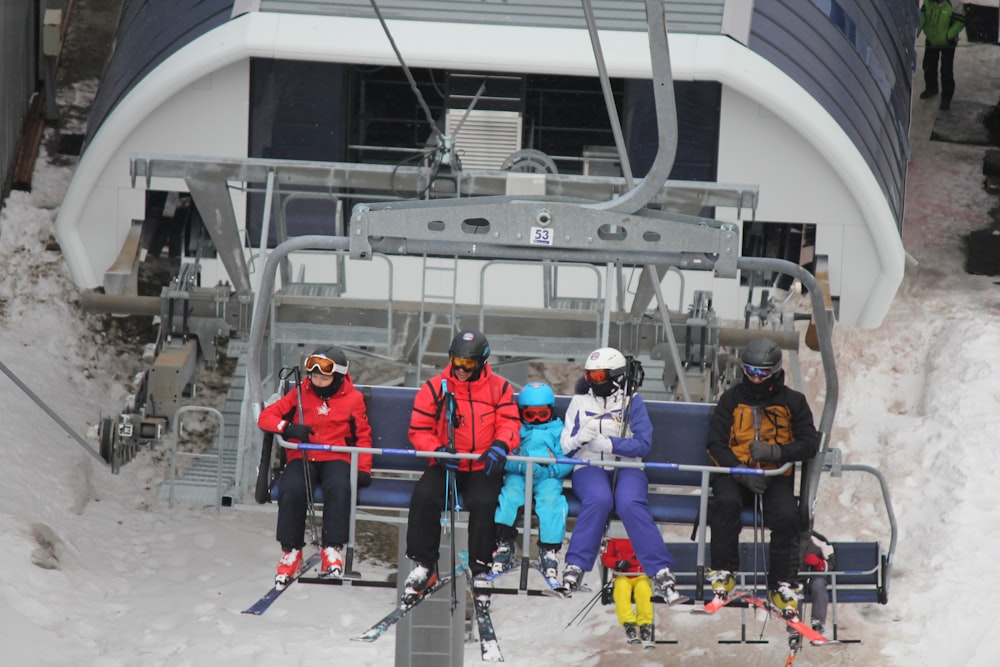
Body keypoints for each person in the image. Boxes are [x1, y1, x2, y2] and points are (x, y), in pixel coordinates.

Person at [401, 329, 521, 603]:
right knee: (424, 497)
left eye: (468, 363)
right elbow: (419, 429)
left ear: (482, 362)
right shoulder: (436, 388)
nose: (461, 369)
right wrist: (437, 450)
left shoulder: (499, 388)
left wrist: (501, 445)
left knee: (485, 502)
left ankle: (481, 567)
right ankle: (424, 564)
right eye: (456, 360)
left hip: (481, 464)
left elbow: (509, 423)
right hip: (448, 463)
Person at [705, 337, 820, 618]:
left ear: (776, 371)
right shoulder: (731, 400)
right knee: (725, 503)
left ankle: (781, 581)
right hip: (735, 473)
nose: (755, 379)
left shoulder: (793, 402)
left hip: (774, 474)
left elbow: (809, 443)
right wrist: (741, 472)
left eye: (762, 373)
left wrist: (776, 451)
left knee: (786, 516)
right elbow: (714, 444)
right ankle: (724, 570)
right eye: (749, 372)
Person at [558, 347, 681, 604]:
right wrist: (580, 439)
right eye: (589, 375)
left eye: (600, 375)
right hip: (589, 466)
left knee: (629, 503)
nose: (593, 381)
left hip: (628, 466)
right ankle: (576, 566)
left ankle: (660, 571)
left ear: (615, 376)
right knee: (599, 500)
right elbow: (564, 445)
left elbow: (643, 444)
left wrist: (611, 444)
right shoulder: (581, 401)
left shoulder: (632, 402)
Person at [257, 345, 373, 588]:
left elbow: (362, 437)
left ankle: (332, 549)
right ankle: (291, 551)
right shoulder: (300, 393)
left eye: (324, 377)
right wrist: (288, 428)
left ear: (338, 377)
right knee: (291, 488)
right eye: (314, 376)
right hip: (303, 455)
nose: (317, 381)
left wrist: (362, 468)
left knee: (340, 487)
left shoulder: (353, 399)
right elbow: (266, 418)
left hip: (336, 456)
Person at [491, 381, 573, 580]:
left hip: (547, 477)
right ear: (521, 413)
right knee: (510, 496)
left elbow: (566, 459)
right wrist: (520, 465)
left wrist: (549, 471)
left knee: (551, 501)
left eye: (542, 415)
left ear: (550, 412)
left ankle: (549, 549)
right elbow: (505, 456)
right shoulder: (516, 429)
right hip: (518, 474)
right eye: (530, 415)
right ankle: (504, 543)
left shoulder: (558, 430)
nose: (536, 420)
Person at [600, 537, 654, 645]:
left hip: (641, 575)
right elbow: (606, 557)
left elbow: (655, 555)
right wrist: (617, 563)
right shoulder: (615, 539)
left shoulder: (646, 536)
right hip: (623, 574)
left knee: (643, 590)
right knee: (621, 588)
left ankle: (645, 622)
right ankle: (628, 621)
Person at [917, 0, 966, 111]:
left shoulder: (954, 4)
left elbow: (960, 21)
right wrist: (918, 28)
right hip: (931, 39)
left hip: (948, 43)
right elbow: (923, 14)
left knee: (946, 70)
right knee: (928, 65)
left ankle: (946, 98)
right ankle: (931, 88)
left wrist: (948, 35)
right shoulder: (928, 1)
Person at [800, 530, 836, 639]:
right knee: (794, 590)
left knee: (818, 585)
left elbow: (831, 564)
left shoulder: (820, 540)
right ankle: (794, 628)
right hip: (796, 577)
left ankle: (818, 622)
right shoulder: (786, 539)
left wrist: (819, 563)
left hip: (814, 577)